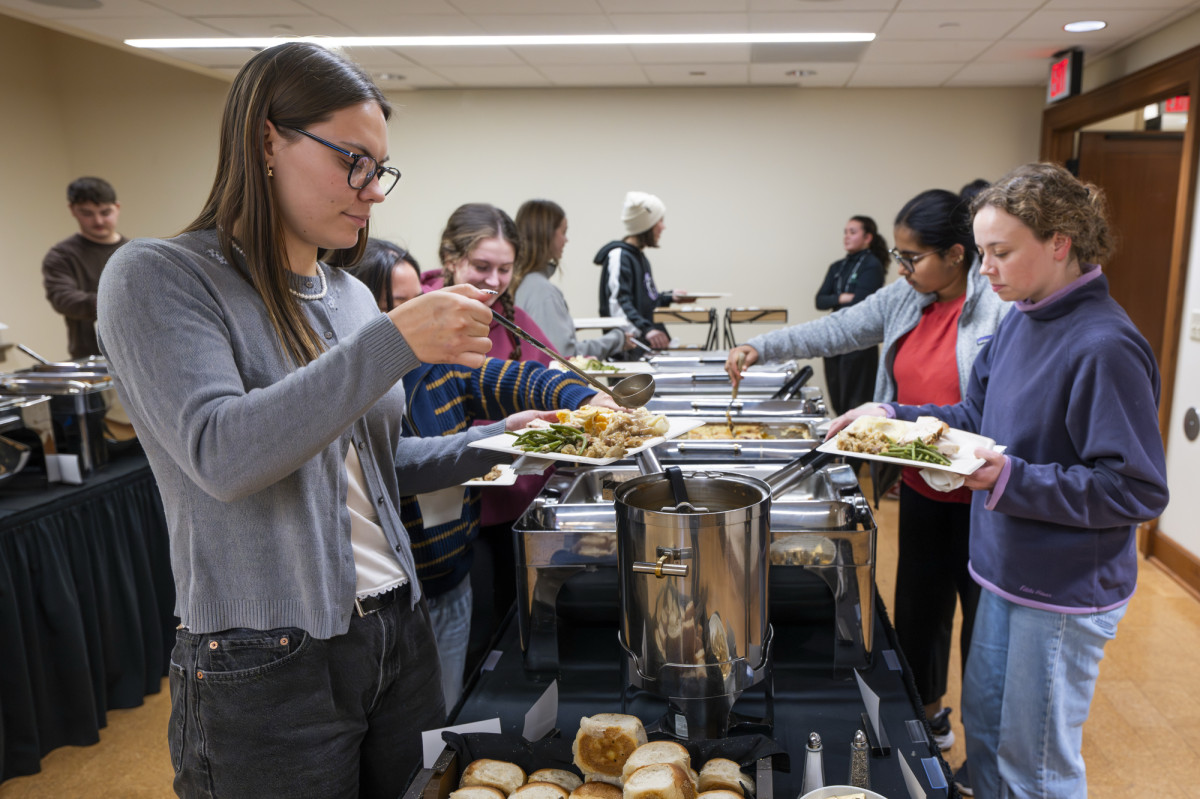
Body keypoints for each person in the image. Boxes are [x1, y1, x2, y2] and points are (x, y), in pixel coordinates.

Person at [96, 42, 553, 799]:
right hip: (268, 661)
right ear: (267, 138)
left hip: (396, 633)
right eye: (353, 160)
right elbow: (224, 453)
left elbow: (370, 469)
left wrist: (501, 442)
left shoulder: (346, 294)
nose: (372, 190)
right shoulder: (158, 276)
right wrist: (396, 339)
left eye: (380, 168)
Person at [826, 162, 1169, 798]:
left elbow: (1136, 490)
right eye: (982, 252)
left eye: (1001, 253)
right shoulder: (1021, 318)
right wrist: (893, 414)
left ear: (1060, 243)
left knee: (1034, 764)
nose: (985, 270)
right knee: (986, 732)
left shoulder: (1102, 344)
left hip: (1061, 588)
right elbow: (974, 417)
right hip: (1003, 568)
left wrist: (1010, 477)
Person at [724, 189, 1011, 768]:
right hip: (923, 485)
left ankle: (986, 752)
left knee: (984, 626)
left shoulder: (997, 310)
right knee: (919, 611)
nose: (902, 269)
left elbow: (993, 411)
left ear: (957, 255)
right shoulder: (908, 297)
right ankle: (928, 712)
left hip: (986, 495)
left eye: (913, 257)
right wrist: (762, 345)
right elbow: (839, 329)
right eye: (899, 257)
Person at [341, 237, 615, 709]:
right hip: (395, 594)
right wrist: (500, 438)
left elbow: (519, 378)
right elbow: (395, 464)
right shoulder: (353, 384)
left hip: (454, 576)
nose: (417, 316)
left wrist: (586, 398)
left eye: (418, 301)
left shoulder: (439, 363)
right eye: (400, 306)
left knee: (446, 706)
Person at [420, 203, 573, 676]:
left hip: (520, 498)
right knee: (472, 642)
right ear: (451, 259)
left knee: (515, 629)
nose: (494, 279)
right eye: (482, 267)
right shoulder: (424, 316)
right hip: (462, 508)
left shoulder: (512, 314)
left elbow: (544, 373)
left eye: (504, 269)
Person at [512, 199, 634, 360]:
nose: (566, 240)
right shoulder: (541, 291)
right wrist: (617, 339)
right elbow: (564, 355)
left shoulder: (521, 283)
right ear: (547, 234)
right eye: (563, 232)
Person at [42, 176, 127, 359]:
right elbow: (64, 299)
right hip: (91, 359)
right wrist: (119, 302)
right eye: (87, 213)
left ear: (117, 208)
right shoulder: (62, 255)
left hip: (137, 354)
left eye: (105, 212)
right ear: (72, 210)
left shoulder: (135, 252)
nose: (98, 221)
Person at [813, 215, 889, 415]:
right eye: (845, 232)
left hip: (859, 344)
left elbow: (861, 303)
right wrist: (841, 298)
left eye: (853, 232)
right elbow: (820, 300)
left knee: (856, 403)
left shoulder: (872, 265)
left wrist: (839, 298)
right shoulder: (837, 267)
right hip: (834, 342)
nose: (846, 236)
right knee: (837, 402)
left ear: (867, 237)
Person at [594, 191, 679, 351]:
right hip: (630, 351)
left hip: (644, 349)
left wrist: (669, 297)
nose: (663, 227)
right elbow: (618, 304)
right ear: (646, 225)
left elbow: (645, 303)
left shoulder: (639, 257)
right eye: (659, 221)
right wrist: (647, 330)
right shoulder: (620, 256)